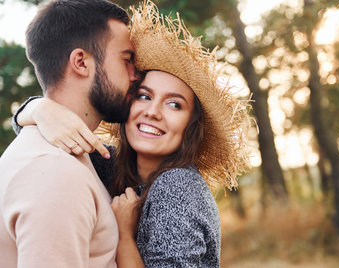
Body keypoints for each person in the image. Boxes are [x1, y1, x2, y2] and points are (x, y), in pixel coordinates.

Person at [12, 1, 252, 267]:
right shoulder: (113, 166)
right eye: (144, 95)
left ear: (191, 125)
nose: (153, 112)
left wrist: (123, 235)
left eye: (174, 104)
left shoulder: (176, 186)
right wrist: (39, 109)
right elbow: (60, 136)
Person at [0, 0, 138, 267]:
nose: (135, 75)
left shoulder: (54, 152)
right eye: (127, 59)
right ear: (81, 62)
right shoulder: (54, 172)